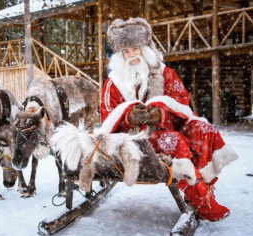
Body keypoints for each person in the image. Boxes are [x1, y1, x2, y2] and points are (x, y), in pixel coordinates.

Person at [100, 17, 238, 222]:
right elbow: (107, 115)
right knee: (174, 141)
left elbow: (182, 102)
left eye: (135, 49)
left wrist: (161, 113)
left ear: (145, 48)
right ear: (120, 55)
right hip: (133, 140)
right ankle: (201, 199)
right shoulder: (114, 83)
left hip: (164, 129)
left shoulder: (165, 74)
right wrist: (129, 117)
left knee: (204, 130)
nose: (131, 55)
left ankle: (203, 187)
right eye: (126, 51)